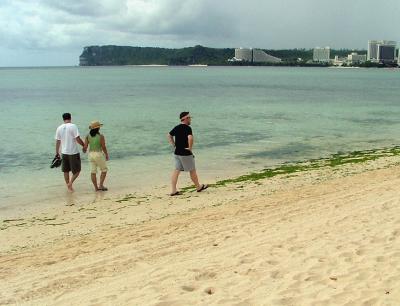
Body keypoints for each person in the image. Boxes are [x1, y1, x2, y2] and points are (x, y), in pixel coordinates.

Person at [167, 111, 208, 196]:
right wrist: (190, 148)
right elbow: (190, 138)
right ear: (185, 119)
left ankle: (173, 190)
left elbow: (169, 135)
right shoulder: (187, 128)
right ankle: (198, 187)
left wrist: (174, 145)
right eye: (189, 118)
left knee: (176, 171)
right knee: (192, 170)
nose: (190, 119)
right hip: (185, 153)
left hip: (177, 152)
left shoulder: (176, 127)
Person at [55, 113, 85, 191]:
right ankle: (70, 183)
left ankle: (69, 188)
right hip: (73, 152)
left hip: (64, 152)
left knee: (66, 171)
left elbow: (58, 141)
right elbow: (77, 138)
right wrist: (84, 145)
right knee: (77, 170)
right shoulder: (73, 126)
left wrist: (57, 152)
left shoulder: (59, 128)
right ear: (70, 118)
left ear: (63, 119)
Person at [83, 121, 109, 191]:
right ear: (98, 128)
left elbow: (85, 148)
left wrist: (84, 150)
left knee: (93, 171)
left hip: (90, 154)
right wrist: (106, 154)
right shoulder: (101, 136)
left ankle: (96, 188)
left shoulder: (87, 136)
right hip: (98, 154)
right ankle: (100, 185)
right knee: (104, 170)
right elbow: (103, 147)